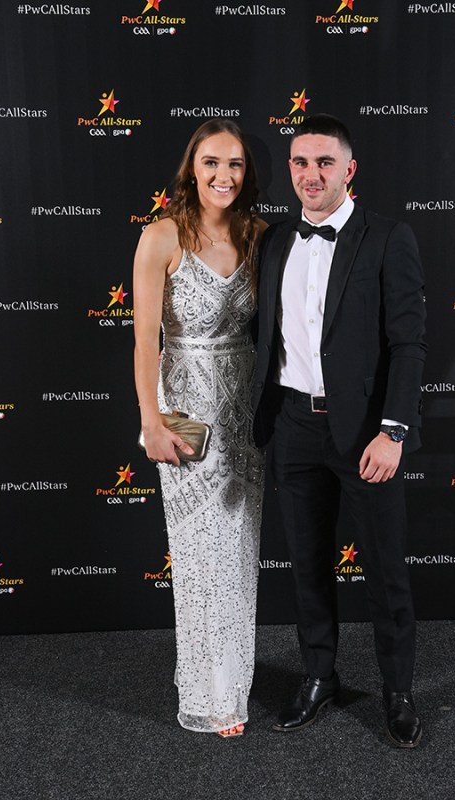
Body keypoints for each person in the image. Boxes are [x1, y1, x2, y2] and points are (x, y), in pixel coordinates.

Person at [252, 114, 427, 748]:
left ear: (349, 170)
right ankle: (318, 677)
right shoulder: (274, 241)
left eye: (324, 162)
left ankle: (398, 690)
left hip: (365, 435)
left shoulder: (387, 237)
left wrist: (394, 431)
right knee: (307, 567)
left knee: (384, 571)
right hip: (294, 428)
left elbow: (409, 345)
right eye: (300, 163)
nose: (310, 175)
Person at [133, 119, 266, 738]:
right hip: (186, 412)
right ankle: (210, 692)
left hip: (246, 410)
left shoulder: (261, 236)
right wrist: (151, 422)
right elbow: (142, 344)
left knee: (237, 551)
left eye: (235, 165)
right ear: (192, 168)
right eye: (212, 163)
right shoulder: (161, 237)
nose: (223, 176)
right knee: (197, 553)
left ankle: (232, 681)